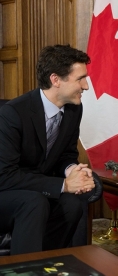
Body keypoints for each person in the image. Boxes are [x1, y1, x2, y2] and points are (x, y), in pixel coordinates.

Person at [0, 44, 96, 255]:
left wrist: (73, 171)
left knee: (71, 205)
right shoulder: (12, 114)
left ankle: (49, 265)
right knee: (34, 202)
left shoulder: (74, 109)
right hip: (5, 192)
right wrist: (63, 184)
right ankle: (25, 274)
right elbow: (5, 176)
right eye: (80, 78)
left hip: (34, 189)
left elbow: (66, 154)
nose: (86, 86)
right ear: (55, 80)